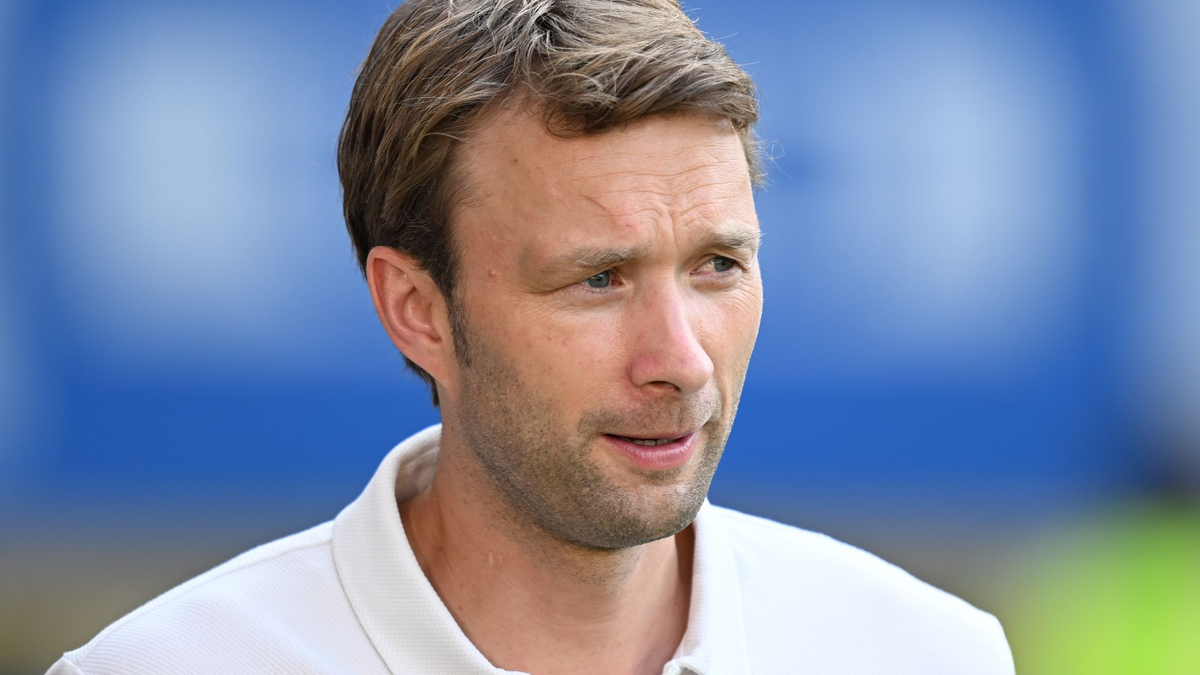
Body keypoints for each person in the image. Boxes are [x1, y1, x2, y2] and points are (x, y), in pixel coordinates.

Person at [48, 0, 1015, 673]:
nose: (679, 360)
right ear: (417, 308)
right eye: (597, 279)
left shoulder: (925, 655)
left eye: (717, 265)